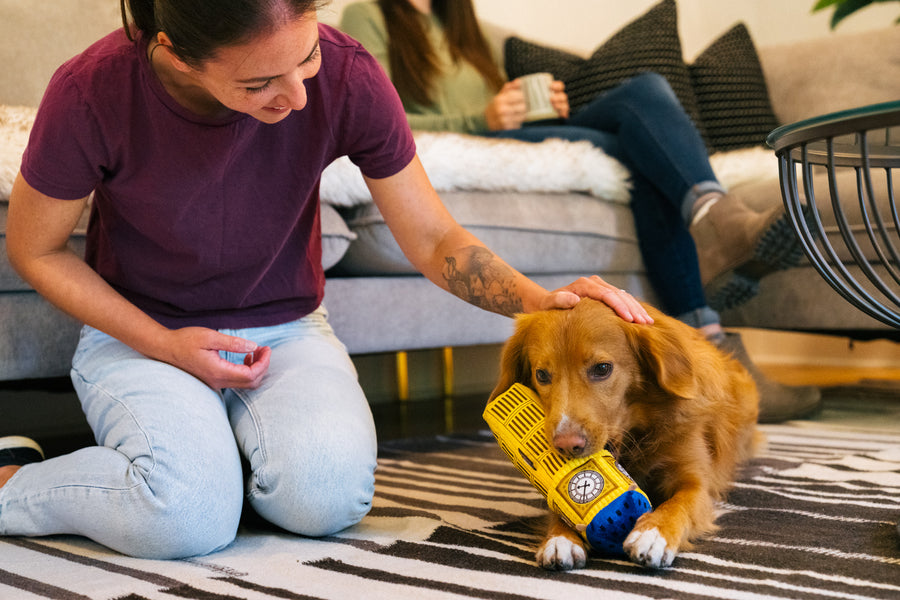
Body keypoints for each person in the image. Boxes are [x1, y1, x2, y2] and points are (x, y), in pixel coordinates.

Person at [0, 0, 654, 559]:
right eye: (260, 84)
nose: (299, 97)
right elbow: (37, 250)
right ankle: (13, 484)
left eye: (306, 58)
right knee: (187, 519)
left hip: (285, 330)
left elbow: (433, 238)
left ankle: (216, 463)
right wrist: (166, 346)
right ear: (175, 56)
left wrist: (545, 305)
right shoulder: (92, 91)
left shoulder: (351, 74)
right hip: (146, 335)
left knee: (329, 499)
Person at [339, 0, 822, 422]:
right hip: (475, 138)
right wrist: (480, 118)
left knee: (646, 107)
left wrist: (534, 108)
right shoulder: (369, 15)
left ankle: (709, 320)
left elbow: (497, 103)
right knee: (641, 120)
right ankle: (718, 229)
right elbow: (380, 117)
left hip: (507, 131)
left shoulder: (462, 24)